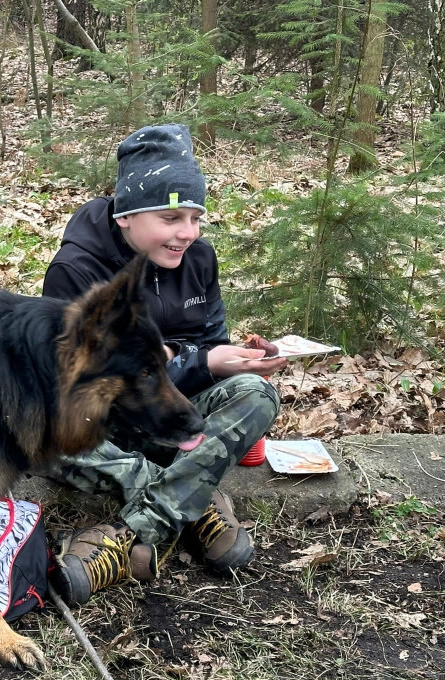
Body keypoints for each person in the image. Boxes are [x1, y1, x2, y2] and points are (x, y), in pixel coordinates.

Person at [43, 124, 288, 605]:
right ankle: (195, 503)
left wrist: (239, 357)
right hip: (98, 422)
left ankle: (129, 534)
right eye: (172, 217)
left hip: (171, 415)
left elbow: (209, 342)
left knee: (256, 395)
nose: (188, 233)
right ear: (127, 216)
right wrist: (199, 361)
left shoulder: (198, 259)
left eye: (196, 217)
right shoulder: (78, 269)